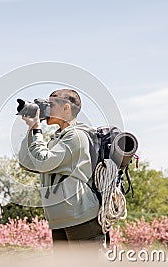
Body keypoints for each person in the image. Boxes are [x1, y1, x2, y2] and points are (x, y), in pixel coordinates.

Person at [18, 89, 104, 246]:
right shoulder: (57, 139)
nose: (46, 109)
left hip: (81, 217)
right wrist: (32, 130)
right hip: (60, 219)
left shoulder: (76, 136)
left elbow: (43, 161)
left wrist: (38, 130)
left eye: (50, 105)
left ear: (66, 108)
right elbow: (26, 161)